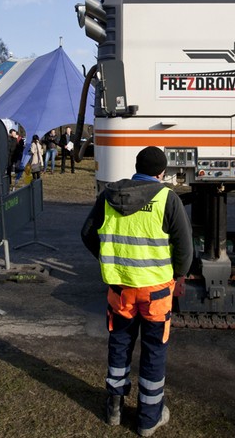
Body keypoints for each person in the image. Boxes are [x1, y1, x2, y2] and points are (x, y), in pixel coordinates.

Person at [80, 146, 193, 437]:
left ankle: (114, 409)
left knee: (120, 344)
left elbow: (87, 233)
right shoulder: (168, 198)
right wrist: (178, 275)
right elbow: (185, 249)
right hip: (156, 292)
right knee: (154, 351)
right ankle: (147, 419)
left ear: (136, 167)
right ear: (162, 173)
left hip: (120, 289)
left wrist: (109, 259)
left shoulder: (110, 195)